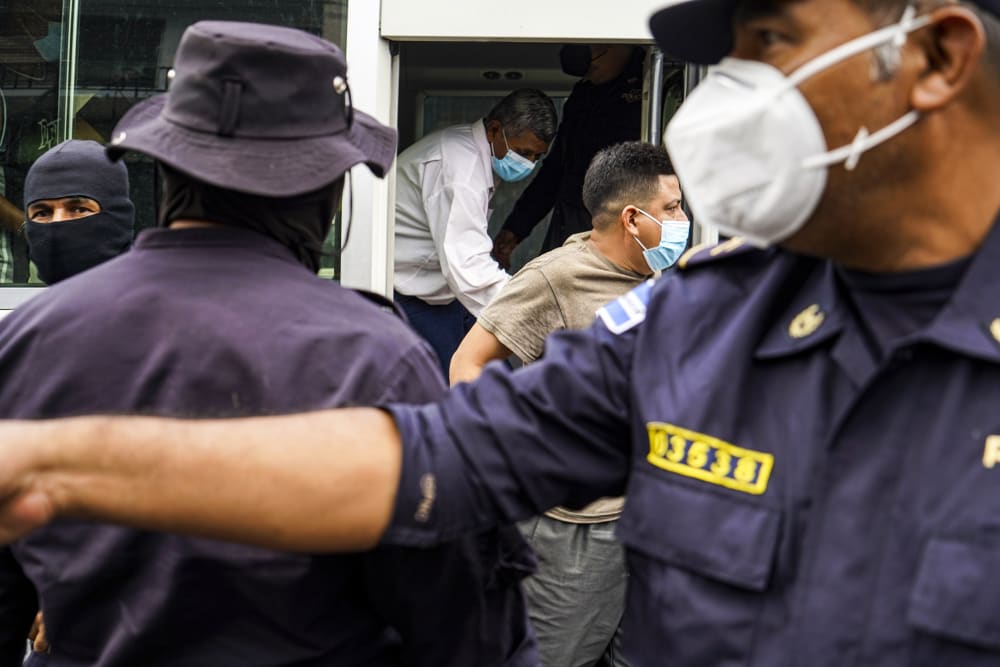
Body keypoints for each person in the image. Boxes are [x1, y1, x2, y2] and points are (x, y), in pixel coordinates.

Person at [1, 0, 1000, 665]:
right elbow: (427, 463)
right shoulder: (700, 317)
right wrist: (53, 462)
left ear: (935, 57)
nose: (730, 98)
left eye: (770, 42)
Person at [0, 21, 536, 667]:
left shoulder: (31, 338)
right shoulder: (374, 357)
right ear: (325, 192)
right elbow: (465, 620)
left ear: (166, 171)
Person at [451, 141, 686, 667]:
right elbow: (467, 364)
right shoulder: (554, 277)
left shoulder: (659, 276)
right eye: (672, 208)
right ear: (632, 217)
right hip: (575, 530)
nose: (682, 219)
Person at [393, 88, 557, 377]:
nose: (529, 164)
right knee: (465, 391)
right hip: (413, 298)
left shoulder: (473, 153)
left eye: (536, 157)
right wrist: (531, 313)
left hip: (445, 294)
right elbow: (468, 266)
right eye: (523, 152)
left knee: (501, 384)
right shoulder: (461, 169)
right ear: (495, 129)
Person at [491, 45, 643, 270]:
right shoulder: (584, 96)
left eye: (592, 62)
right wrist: (514, 230)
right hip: (571, 222)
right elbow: (555, 171)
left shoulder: (652, 88)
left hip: (620, 227)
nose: (588, 72)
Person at [22, 139, 135, 284]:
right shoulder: (34, 303)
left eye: (78, 209)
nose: (58, 222)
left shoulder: (160, 298)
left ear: (119, 216)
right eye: (43, 213)